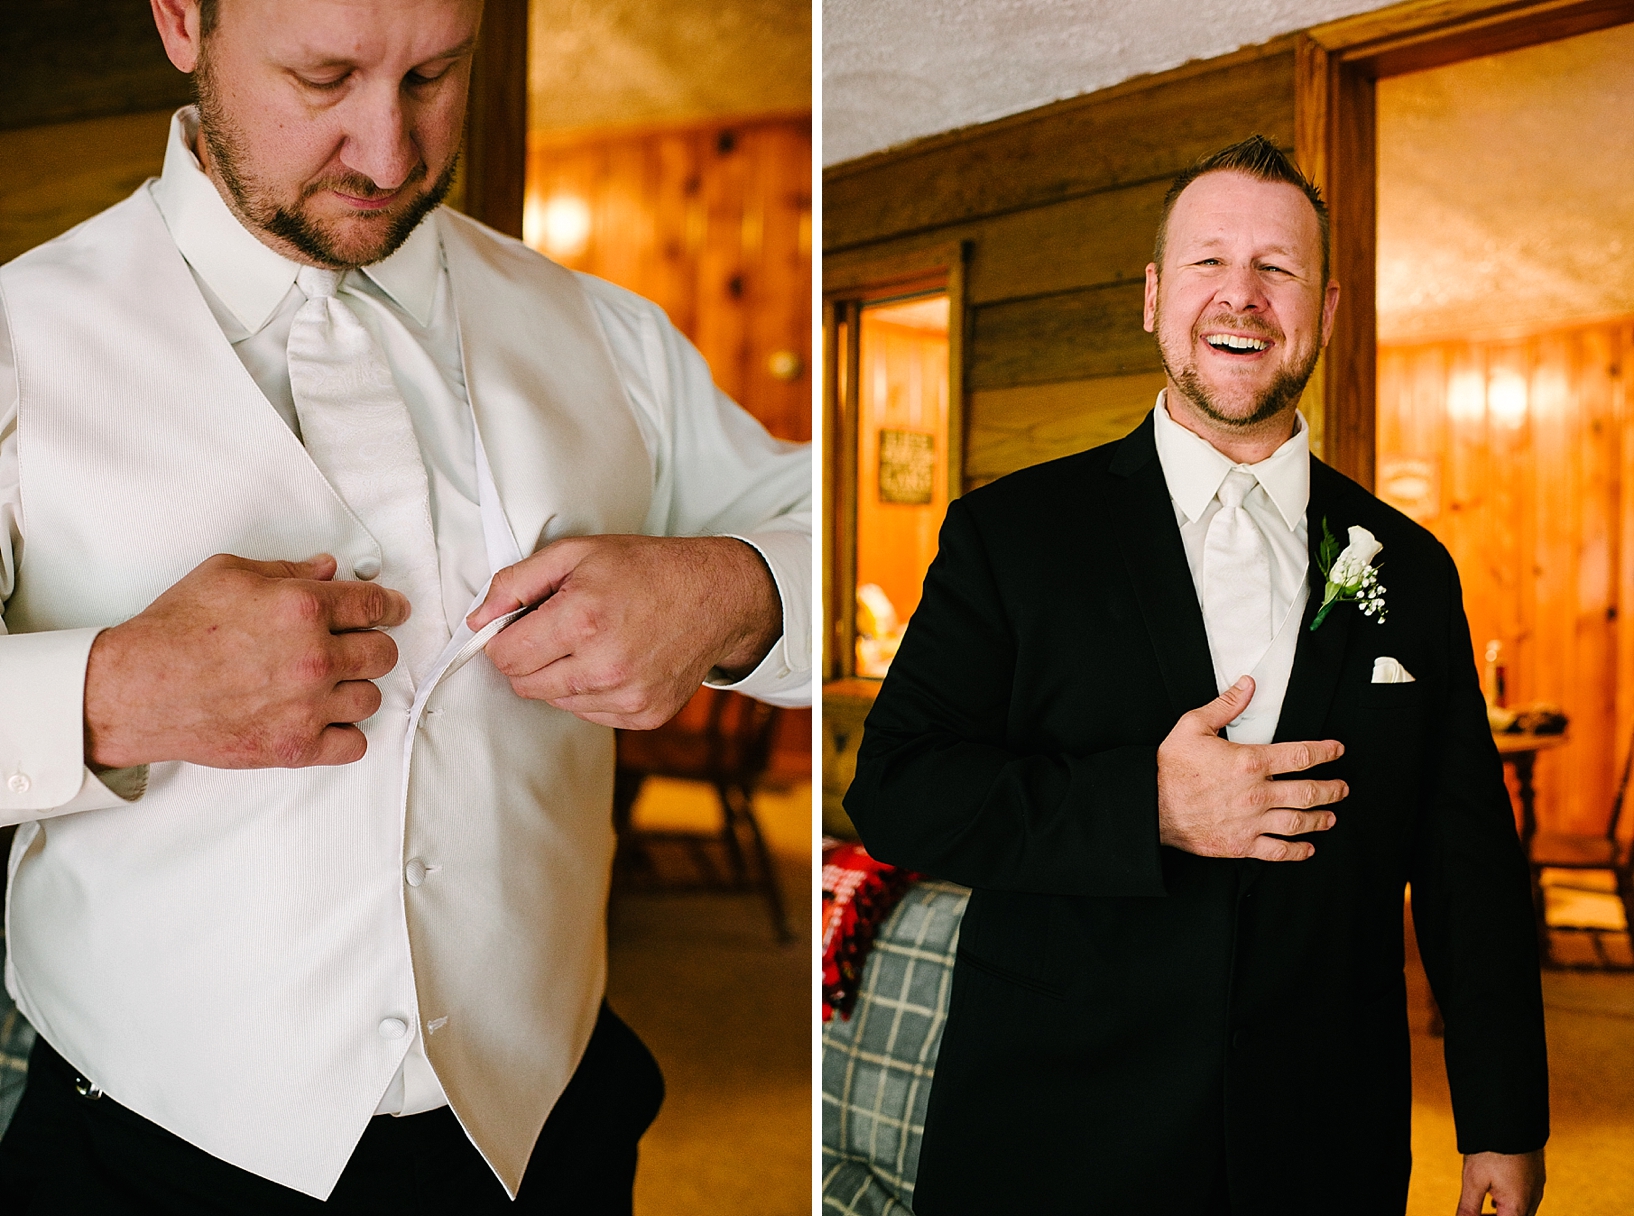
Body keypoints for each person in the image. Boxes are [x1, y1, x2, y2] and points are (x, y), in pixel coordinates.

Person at [0, 0, 809, 1210]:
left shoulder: (605, 332)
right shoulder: (21, 335)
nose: (388, 154)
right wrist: (112, 693)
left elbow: (832, 525)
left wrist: (737, 590)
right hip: (149, 1150)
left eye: (435, 75)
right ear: (182, 18)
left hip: (547, 1136)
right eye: (321, 79)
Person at [844, 136, 1547, 1216]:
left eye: (1278, 268)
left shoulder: (1406, 565)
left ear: (1324, 307)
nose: (1243, 294)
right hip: (1054, 1137)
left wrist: (1500, 1118)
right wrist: (1148, 806)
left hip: (1320, 1140)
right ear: (1152, 295)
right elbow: (896, 786)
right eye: (1209, 261)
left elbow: (1465, 863)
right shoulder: (1008, 535)